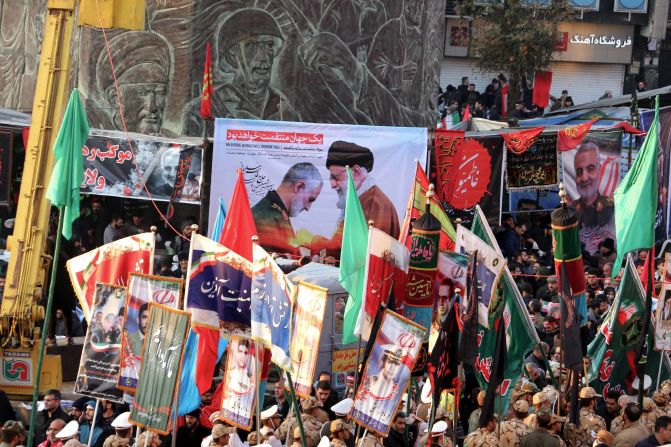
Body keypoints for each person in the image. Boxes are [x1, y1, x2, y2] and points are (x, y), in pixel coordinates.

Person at [325, 141, 399, 238]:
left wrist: (314, 244)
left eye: (335, 177)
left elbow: (365, 248)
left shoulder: (373, 203)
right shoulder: (359, 198)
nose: (332, 185)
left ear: (356, 171)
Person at [251, 162, 323, 255]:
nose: (307, 208)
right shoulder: (265, 218)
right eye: (310, 199)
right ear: (299, 186)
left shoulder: (277, 211)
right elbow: (272, 266)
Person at [357, 345, 405, 424]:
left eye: (397, 364)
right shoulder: (369, 382)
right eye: (390, 362)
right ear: (383, 362)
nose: (393, 367)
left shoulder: (396, 390)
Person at [221, 339, 255, 420]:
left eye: (246, 353)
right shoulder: (230, 373)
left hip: (243, 415)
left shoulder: (251, 378)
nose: (242, 356)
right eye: (240, 351)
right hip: (228, 412)